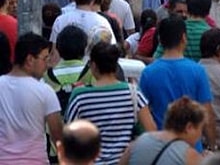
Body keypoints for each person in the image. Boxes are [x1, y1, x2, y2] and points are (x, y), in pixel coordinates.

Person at [65, 42, 156, 164]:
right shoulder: (133, 92)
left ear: (93, 65)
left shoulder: (79, 96)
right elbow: (151, 131)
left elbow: (69, 138)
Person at [138, 15, 217, 152]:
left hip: (160, 147)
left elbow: (142, 111)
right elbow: (207, 112)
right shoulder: (197, 71)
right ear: (184, 38)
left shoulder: (148, 73)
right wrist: (212, 145)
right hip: (191, 147)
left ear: (160, 40)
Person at [0, 33, 63, 165]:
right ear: (30, 59)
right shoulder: (45, 91)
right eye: (44, 59)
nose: (47, 65)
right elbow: (57, 135)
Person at [118, 97, 207, 165]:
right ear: (189, 127)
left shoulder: (140, 141)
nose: (200, 135)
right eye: (200, 129)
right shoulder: (190, 156)